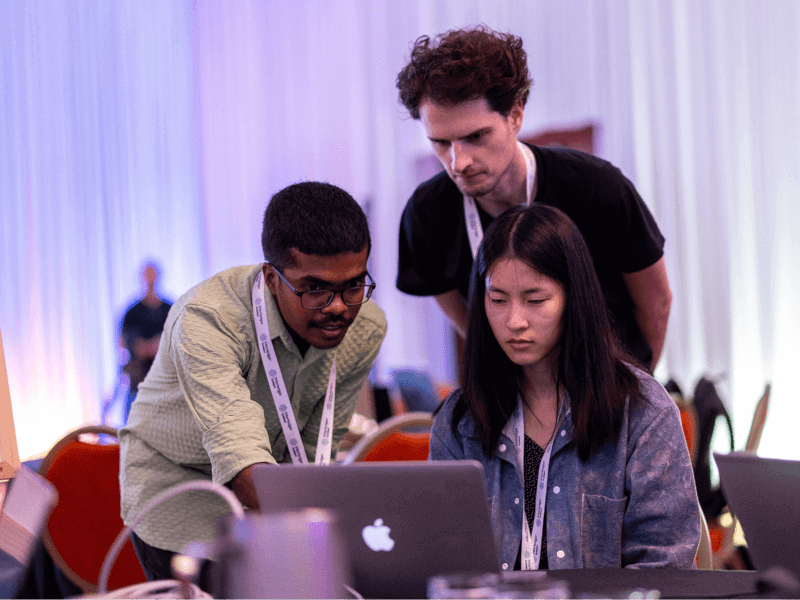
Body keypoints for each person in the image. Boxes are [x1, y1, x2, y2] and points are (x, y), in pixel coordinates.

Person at [119, 182, 387, 587]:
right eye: (315, 288)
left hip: (272, 494)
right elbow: (241, 461)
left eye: (352, 285)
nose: (338, 307)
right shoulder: (208, 319)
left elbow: (317, 452)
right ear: (271, 277)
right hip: (180, 496)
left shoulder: (365, 326)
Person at [429, 204, 700, 570]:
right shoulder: (460, 419)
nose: (514, 321)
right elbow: (442, 558)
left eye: (535, 300)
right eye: (497, 300)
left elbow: (665, 564)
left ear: (574, 298)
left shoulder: (641, 410)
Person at [396, 26, 671, 370]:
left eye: (476, 136)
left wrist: (634, 389)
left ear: (515, 115)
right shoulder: (426, 214)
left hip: (607, 387)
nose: (458, 162)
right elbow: (467, 321)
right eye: (440, 143)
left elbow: (656, 303)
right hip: (517, 397)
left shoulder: (597, 188)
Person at [119, 262, 172, 420]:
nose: (150, 280)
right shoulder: (132, 313)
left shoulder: (170, 310)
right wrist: (149, 347)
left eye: (153, 276)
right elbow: (127, 343)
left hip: (166, 383)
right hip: (139, 382)